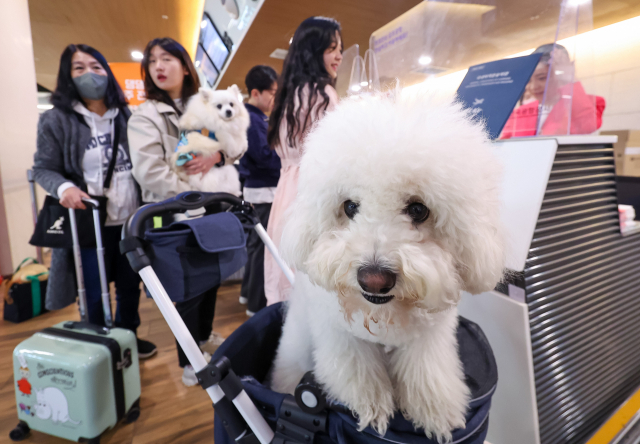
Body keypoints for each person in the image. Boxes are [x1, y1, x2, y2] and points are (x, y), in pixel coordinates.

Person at [33, 44, 157, 359]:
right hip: (89, 223)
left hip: (130, 218)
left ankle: (126, 337)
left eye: (96, 66)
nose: (90, 73)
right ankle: (102, 345)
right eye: (79, 68)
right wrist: (63, 188)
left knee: (130, 285)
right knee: (92, 288)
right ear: (68, 76)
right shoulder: (58, 120)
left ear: (107, 71)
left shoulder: (127, 115)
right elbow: (43, 168)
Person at [127, 37, 228, 386]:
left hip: (212, 210)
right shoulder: (145, 116)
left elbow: (230, 143)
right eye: (152, 61)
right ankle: (189, 360)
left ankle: (203, 336)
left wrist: (219, 157)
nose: (158, 66)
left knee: (212, 276)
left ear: (185, 66)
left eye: (167, 58)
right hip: (174, 214)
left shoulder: (206, 104)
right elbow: (149, 172)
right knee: (185, 286)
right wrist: (197, 195)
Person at [264, 17, 343, 305]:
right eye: (331, 48)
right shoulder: (324, 94)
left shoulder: (286, 96)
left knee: (285, 265)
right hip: (313, 188)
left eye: (340, 48)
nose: (338, 56)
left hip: (285, 190)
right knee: (312, 272)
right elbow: (336, 152)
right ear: (313, 51)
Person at [238, 65, 280, 316]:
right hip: (263, 190)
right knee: (263, 249)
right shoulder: (251, 119)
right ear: (256, 92)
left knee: (256, 246)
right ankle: (255, 305)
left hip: (258, 190)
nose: (275, 98)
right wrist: (285, 157)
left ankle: (247, 295)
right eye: (273, 93)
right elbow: (264, 157)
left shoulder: (254, 118)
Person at [500, 43, 605, 139]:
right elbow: (504, 145)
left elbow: (587, 125)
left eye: (542, 78)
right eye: (528, 81)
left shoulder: (591, 103)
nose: (533, 87)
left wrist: (568, 77)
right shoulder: (520, 112)